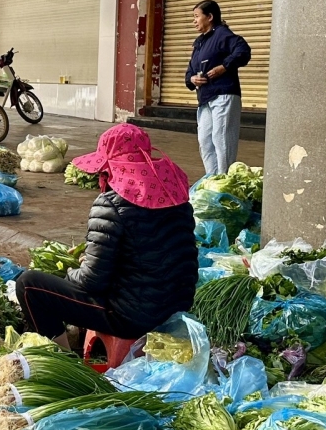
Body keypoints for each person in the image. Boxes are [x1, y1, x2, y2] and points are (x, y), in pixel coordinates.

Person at [13, 124, 198, 343]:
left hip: (133, 317)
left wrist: (73, 272)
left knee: (28, 285)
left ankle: (64, 359)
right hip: (176, 307)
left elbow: (91, 282)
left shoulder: (110, 203)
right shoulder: (174, 195)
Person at [185, 0, 252, 177]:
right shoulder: (199, 43)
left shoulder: (222, 34)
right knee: (205, 141)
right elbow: (190, 71)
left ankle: (224, 181)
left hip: (224, 94)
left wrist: (224, 67)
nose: (194, 21)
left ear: (210, 17)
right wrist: (192, 79)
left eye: (196, 16)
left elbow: (243, 51)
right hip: (206, 98)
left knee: (221, 138)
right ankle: (212, 179)